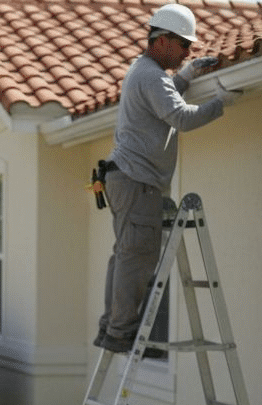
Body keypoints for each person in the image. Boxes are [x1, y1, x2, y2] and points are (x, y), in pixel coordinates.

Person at [95, 3, 240, 353]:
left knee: (125, 255)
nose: (188, 51)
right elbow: (180, 117)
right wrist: (221, 102)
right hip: (136, 182)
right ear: (162, 41)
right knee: (136, 258)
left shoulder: (144, 71)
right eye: (183, 45)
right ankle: (120, 333)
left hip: (125, 179)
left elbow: (164, 96)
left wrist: (187, 76)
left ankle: (111, 328)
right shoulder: (150, 75)